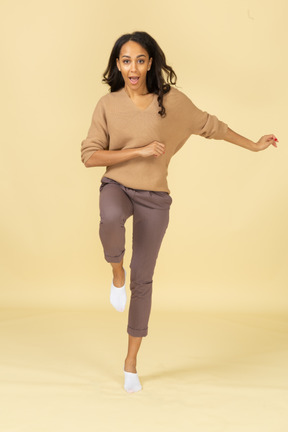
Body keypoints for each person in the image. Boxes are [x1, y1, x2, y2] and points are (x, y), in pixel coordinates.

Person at [81, 31, 278, 393]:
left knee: (144, 279)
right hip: (118, 187)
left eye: (140, 60)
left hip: (154, 197)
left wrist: (253, 145)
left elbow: (211, 126)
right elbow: (90, 156)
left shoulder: (171, 102)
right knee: (109, 220)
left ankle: (130, 362)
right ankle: (115, 271)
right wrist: (137, 152)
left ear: (151, 62)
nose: (133, 68)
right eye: (126, 61)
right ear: (118, 65)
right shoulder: (107, 105)